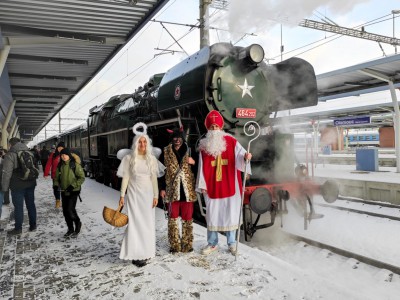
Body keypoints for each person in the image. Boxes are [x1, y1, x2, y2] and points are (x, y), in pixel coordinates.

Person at [196, 110, 252, 256]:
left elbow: (241, 156)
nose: (214, 129)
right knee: (213, 214)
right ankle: (212, 243)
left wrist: (246, 157)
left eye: (216, 126)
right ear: (208, 128)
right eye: (212, 127)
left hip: (230, 184)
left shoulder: (232, 142)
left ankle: (232, 243)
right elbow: (202, 167)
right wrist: (202, 185)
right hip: (212, 186)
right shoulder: (204, 146)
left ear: (221, 127)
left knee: (230, 214)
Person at [117, 122, 165, 267]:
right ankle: (134, 254)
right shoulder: (129, 159)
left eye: (145, 141)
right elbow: (125, 178)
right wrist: (122, 196)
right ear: (136, 143)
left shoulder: (151, 160)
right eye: (140, 142)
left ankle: (146, 252)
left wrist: (156, 196)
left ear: (148, 144)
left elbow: (154, 180)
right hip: (134, 195)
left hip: (148, 196)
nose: (142, 144)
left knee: (147, 224)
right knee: (135, 224)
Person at [159, 127, 197, 253]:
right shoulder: (165, 152)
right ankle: (174, 245)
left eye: (179, 138)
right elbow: (161, 172)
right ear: (171, 139)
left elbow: (198, 169)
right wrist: (162, 188)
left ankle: (187, 244)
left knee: (187, 220)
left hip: (187, 191)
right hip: (172, 191)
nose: (177, 141)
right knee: (172, 220)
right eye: (175, 138)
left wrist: (194, 162)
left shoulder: (190, 151)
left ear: (183, 139)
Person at [1, 137, 38, 235]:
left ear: (11, 144)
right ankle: (33, 225)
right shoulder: (29, 152)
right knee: (31, 204)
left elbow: (6, 173)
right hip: (30, 182)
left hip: (17, 185)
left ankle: (18, 229)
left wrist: (4, 188)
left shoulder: (10, 155)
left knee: (18, 207)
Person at [53, 148, 85, 238]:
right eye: (62, 155)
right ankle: (70, 229)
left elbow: (82, 177)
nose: (63, 157)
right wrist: (55, 185)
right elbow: (56, 178)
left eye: (65, 155)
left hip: (73, 191)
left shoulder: (74, 165)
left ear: (69, 155)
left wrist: (73, 186)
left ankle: (78, 224)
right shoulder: (60, 166)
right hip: (64, 191)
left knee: (70, 210)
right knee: (65, 212)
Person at [44, 142, 65, 208]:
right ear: (57, 148)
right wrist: (46, 173)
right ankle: (58, 201)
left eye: (62, 148)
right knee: (56, 188)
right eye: (59, 148)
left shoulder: (66, 155)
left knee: (64, 188)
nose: (60, 149)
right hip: (55, 175)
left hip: (64, 175)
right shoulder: (53, 155)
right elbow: (48, 164)